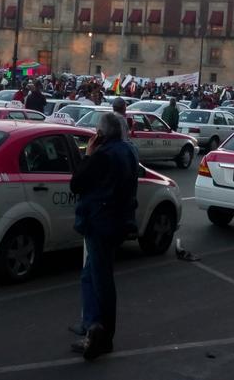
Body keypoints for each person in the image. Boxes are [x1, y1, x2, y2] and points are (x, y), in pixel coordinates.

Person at [69, 112, 138, 360]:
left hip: (100, 222)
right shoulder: (128, 151)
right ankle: (91, 325)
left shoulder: (103, 156)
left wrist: (88, 155)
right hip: (118, 221)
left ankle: (101, 334)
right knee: (92, 275)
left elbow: (77, 183)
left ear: (100, 134)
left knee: (101, 279)